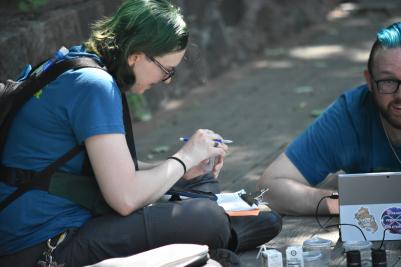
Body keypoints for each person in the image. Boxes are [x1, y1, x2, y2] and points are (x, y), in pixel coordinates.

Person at [0, 0, 282, 266]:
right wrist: (185, 156)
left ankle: (213, 239)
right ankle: (218, 236)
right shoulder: (94, 85)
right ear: (136, 56)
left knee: (199, 190)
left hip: (58, 223)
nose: (168, 82)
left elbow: (111, 169)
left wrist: (181, 169)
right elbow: (124, 198)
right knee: (208, 218)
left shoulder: (77, 64)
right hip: (43, 245)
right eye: (166, 70)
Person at [258, 21, 401, 216]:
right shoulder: (350, 115)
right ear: (369, 81)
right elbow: (270, 188)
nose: (400, 95)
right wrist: (349, 203)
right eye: (388, 81)